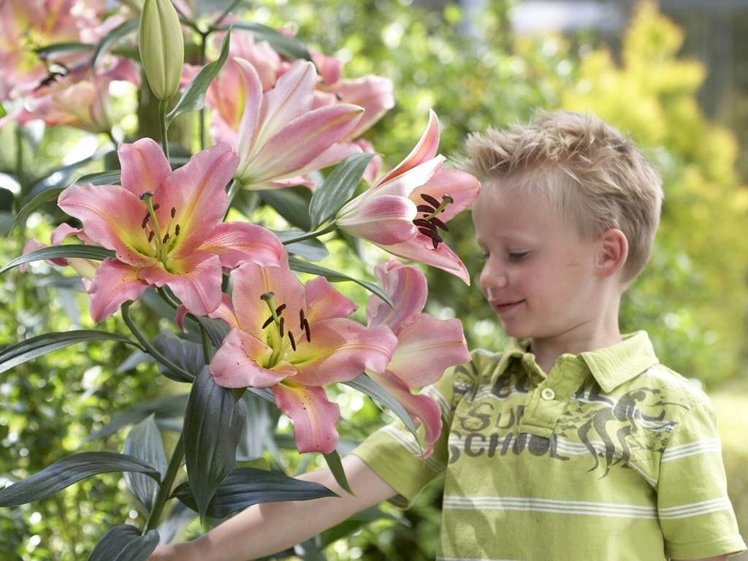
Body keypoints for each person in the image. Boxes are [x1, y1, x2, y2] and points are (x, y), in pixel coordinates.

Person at [150, 111, 746, 561]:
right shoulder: (467, 390)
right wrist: (192, 555)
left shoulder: (669, 410)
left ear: (607, 254)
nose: (488, 276)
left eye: (517, 254)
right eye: (487, 253)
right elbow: (333, 489)